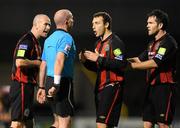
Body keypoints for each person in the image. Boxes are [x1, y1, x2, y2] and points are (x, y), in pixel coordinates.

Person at [128, 9, 178, 128]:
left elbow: (155, 62)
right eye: (147, 23)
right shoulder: (152, 44)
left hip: (164, 88)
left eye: (150, 23)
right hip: (151, 88)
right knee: (147, 123)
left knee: (163, 123)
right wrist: (118, 62)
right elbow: (139, 59)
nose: (147, 26)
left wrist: (135, 66)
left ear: (160, 25)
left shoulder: (168, 42)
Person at [79, 12, 127, 128]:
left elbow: (121, 63)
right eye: (92, 24)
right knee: (106, 124)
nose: (93, 26)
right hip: (100, 87)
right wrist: (85, 61)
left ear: (106, 24)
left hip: (112, 86)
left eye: (97, 23)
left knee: (101, 124)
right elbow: (98, 67)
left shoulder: (115, 42)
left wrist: (98, 58)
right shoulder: (98, 44)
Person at [9, 14, 51, 128]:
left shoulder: (37, 43)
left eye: (49, 25)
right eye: (45, 24)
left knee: (29, 122)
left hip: (28, 86)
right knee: (17, 123)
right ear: (36, 25)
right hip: (21, 85)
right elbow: (19, 62)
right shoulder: (27, 40)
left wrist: (40, 87)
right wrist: (37, 63)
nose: (48, 27)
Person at [36, 9, 76, 128]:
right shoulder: (66, 38)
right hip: (61, 82)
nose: (73, 21)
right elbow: (59, 60)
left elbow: (43, 64)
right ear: (67, 22)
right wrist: (57, 84)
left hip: (48, 81)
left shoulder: (49, 39)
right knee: (65, 121)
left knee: (57, 122)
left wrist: (42, 87)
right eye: (72, 18)